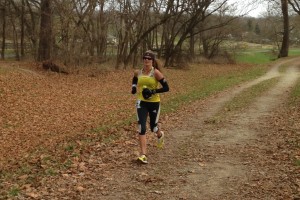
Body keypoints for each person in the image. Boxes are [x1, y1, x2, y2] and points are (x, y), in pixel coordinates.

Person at [131, 51, 170, 164]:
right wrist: (134, 87)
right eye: (145, 58)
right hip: (141, 102)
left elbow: (166, 88)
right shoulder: (138, 72)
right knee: (141, 127)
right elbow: (134, 79)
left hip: (154, 102)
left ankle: (160, 134)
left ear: (152, 61)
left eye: (149, 58)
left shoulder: (156, 73)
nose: (146, 60)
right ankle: (143, 155)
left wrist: (153, 91)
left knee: (153, 127)